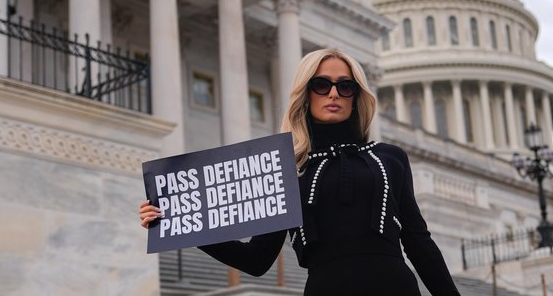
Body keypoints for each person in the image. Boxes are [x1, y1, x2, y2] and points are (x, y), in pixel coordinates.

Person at [140, 48, 460, 295]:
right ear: (306, 93)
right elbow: (255, 259)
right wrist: (174, 221)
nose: (333, 93)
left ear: (356, 95)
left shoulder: (389, 157)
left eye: (345, 86)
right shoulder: (286, 168)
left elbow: (419, 242)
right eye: (321, 85)